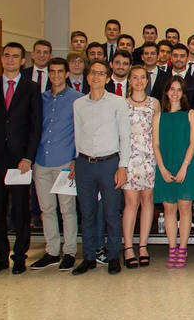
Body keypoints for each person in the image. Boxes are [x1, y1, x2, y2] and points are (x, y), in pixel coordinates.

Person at [0, 42, 42, 276]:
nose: (11, 60)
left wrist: (28, 157)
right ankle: (0, 257)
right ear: (1, 59)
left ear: (23, 61)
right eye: (7, 56)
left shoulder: (31, 88)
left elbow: (36, 127)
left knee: (20, 211)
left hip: (20, 161)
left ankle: (19, 257)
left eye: (16, 56)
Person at [71, 59, 131, 275]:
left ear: (108, 78)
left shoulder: (118, 102)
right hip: (85, 163)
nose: (96, 77)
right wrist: (76, 160)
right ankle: (89, 256)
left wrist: (123, 166)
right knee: (86, 212)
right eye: (92, 73)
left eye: (101, 73)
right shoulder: (78, 104)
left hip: (110, 163)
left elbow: (125, 135)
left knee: (112, 212)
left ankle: (114, 255)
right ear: (87, 77)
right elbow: (78, 134)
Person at [30, 58, 79, 272]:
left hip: (64, 162)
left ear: (67, 74)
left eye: (60, 71)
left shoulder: (77, 100)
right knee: (46, 209)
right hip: (41, 161)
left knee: (67, 209)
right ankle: (51, 250)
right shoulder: (40, 99)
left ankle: (69, 251)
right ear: (48, 74)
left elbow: (81, 132)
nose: (56, 75)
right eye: (53, 72)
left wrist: (76, 159)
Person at [151, 76, 194, 270]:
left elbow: (192, 143)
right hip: (165, 166)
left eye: (179, 89)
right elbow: (155, 144)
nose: (175, 92)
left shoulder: (191, 114)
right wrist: (162, 168)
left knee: (185, 208)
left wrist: (184, 167)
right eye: (172, 89)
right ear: (166, 92)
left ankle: (182, 248)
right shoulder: (158, 116)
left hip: (185, 166)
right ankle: (172, 248)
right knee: (169, 209)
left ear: (183, 93)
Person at [120, 65, 158, 269]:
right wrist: (121, 163)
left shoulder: (155, 103)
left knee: (147, 200)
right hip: (129, 158)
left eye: (142, 77)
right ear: (129, 80)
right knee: (131, 203)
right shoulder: (121, 104)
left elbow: (157, 133)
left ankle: (143, 245)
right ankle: (128, 246)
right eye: (135, 77)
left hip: (150, 158)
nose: (139, 81)